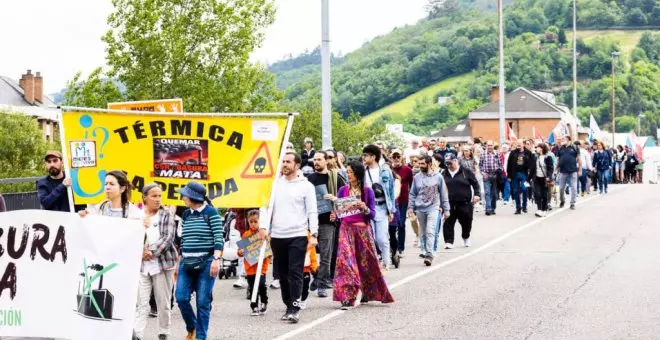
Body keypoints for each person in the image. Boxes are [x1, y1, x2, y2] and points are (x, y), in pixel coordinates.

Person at [258, 152, 318, 324]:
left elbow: (312, 211)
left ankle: (294, 307)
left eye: (288, 162)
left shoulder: (306, 186)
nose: (284, 164)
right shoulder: (274, 185)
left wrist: (313, 234)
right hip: (277, 235)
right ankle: (287, 305)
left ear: (297, 165)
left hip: (298, 235)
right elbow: (265, 206)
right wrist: (263, 226)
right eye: (283, 161)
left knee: (295, 271)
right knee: (282, 274)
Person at [331, 161, 394, 309]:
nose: (348, 174)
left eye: (351, 172)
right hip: (346, 230)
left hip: (363, 231)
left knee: (366, 263)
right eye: (347, 172)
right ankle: (347, 296)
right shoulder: (342, 190)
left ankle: (369, 292)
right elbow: (339, 212)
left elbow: (372, 214)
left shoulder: (368, 191)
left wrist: (364, 207)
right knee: (345, 262)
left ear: (358, 174)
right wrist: (335, 216)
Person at [175, 181, 224, 340]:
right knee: (181, 298)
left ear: (192, 197)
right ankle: (192, 328)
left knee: (203, 302)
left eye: (184, 195)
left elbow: (218, 238)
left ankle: (201, 337)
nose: (182, 197)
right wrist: (179, 261)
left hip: (207, 261)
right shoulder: (186, 214)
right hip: (186, 262)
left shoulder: (211, 213)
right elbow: (184, 240)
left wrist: (216, 259)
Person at [133, 184, 178, 340]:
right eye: (154, 196)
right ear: (144, 197)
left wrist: (150, 252)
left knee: (163, 302)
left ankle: (163, 332)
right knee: (141, 301)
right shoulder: (136, 215)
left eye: (160, 196)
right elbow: (130, 236)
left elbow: (168, 238)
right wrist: (140, 252)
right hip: (141, 265)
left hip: (162, 263)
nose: (158, 199)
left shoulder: (166, 215)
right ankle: (137, 334)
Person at [306, 151, 345, 297]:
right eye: (314, 160)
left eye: (319, 159)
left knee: (326, 255)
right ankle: (316, 276)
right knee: (308, 255)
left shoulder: (335, 178)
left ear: (326, 161)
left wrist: (335, 200)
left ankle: (322, 284)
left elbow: (346, 200)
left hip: (327, 222)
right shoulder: (308, 179)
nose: (316, 162)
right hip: (309, 222)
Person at [408, 155, 450, 265]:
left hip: (434, 207)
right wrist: (410, 208)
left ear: (429, 164)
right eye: (419, 163)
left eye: (423, 164)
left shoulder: (438, 177)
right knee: (423, 233)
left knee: (430, 231)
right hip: (420, 208)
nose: (420, 166)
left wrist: (447, 210)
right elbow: (412, 194)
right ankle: (426, 250)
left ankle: (430, 254)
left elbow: (444, 194)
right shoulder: (417, 177)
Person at [362, 144, 396, 270]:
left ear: (373, 156)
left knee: (382, 237)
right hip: (368, 208)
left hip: (382, 207)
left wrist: (391, 210)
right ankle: (376, 261)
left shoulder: (385, 171)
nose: (363, 157)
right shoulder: (362, 172)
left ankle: (387, 261)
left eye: (366, 155)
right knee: (372, 238)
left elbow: (391, 191)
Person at [441, 153, 480, 248]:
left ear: (456, 161)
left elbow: (475, 184)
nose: (449, 165)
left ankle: (466, 236)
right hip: (449, 203)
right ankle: (449, 241)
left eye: (450, 163)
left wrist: (476, 194)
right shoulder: (444, 174)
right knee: (448, 222)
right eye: (447, 164)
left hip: (465, 203)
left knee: (467, 222)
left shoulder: (465, 171)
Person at [238, 209, 269, 316]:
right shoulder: (246, 234)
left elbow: (269, 249)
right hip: (250, 267)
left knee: (261, 285)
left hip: (261, 266)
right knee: (251, 287)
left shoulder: (264, 233)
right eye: (251, 222)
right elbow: (240, 250)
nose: (253, 224)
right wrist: (240, 252)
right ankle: (254, 306)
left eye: (255, 221)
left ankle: (264, 302)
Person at [78, 170, 143, 219]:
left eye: (112, 184)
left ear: (122, 189)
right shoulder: (97, 209)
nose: (107, 187)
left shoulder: (134, 213)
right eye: (105, 184)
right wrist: (83, 216)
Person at [390, 149, 413, 257]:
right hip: (391, 201)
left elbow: (412, 186)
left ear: (402, 157)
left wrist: (412, 203)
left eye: (398, 156)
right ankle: (392, 247)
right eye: (394, 157)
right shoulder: (388, 169)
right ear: (390, 158)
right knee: (391, 225)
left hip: (403, 200)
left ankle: (400, 248)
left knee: (401, 223)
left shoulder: (407, 170)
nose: (396, 159)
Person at [507, 140, 533, 214]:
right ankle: (518, 208)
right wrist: (509, 175)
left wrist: (530, 175)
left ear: (523, 144)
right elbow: (509, 164)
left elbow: (532, 164)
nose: (518, 145)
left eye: (520, 144)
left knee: (525, 189)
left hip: (524, 174)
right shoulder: (513, 153)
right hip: (515, 174)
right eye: (517, 144)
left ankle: (524, 206)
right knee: (515, 191)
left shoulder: (528, 152)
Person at [557, 136, 582, 210]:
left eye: (563, 139)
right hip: (563, 171)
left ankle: (572, 203)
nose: (562, 140)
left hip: (573, 170)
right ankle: (562, 200)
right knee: (561, 188)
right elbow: (559, 160)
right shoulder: (561, 148)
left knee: (574, 187)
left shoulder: (575, 147)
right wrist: (556, 170)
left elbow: (579, 159)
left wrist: (580, 170)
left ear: (568, 140)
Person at [530, 143, 553, 217]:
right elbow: (532, 169)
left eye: (538, 147)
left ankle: (544, 209)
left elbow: (550, 168)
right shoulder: (535, 157)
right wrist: (528, 178)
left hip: (544, 178)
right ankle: (539, 209)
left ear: (542, 148)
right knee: (537, 194)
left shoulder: (548, 157)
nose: (537, 148)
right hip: (536, 178)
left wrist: (549, 177)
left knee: (544, 194)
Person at [479, 141, 502, 216]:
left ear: (493, 146)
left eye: (491, 145)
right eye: (488, 145)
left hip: (494, 175)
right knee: (487, 192)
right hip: (486, 175)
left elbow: (500, 165)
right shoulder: (483, 154)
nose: (489, 147)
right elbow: (480, 165)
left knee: (494, 194)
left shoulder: (497, 154)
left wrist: (498, 172)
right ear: (486, 146)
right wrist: (483, 173)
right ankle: (488, 209)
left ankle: (493, 208)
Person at [300, 232, 318, 310]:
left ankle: (303, 300)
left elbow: (312, 253)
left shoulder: (308, 235)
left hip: (305, 268)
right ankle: (294, 301)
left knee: (305, 286)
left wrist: (314, 268)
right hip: (294, 268)